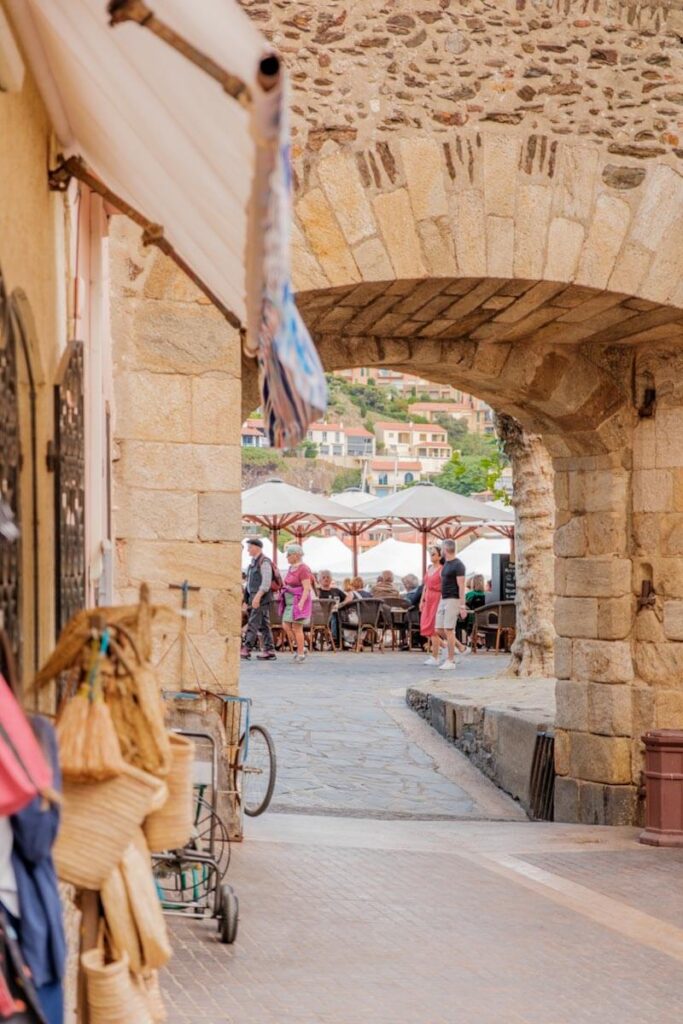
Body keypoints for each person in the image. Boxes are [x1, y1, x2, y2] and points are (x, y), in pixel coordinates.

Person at [241, 538, 277, 661]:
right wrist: (246, 599)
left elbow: (266, 583)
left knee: (253, 622)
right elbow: (249, 583)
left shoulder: (264, 561)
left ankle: (246, 649)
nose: (248, 550)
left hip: (261, 598)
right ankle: (269, 650)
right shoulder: (252, 563)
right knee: (264, 624)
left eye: (250, 547)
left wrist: (257, 597)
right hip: (254, 597)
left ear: (257, 547)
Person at [435, 539, 468, 671]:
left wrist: (462, 606)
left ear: (445, 549)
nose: (440, 551)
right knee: (438, 629)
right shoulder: (446, 563)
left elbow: (461, 586)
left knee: (449, 630)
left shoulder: (458, 565)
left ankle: (451, 660)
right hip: (443, 598)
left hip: (453, 599)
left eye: (441, 548)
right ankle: (461, 647)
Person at [279, 544, 314, 663]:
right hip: (289, 601)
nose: (287, 557)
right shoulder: (291, 568)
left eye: (289, 555)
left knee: (297, 627)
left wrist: (301, 603)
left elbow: (307, 588)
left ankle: (300, 653)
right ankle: (301, 647)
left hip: (298, 600)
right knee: (286, 625)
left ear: (296, 555)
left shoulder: (303, 568)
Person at [419, 545, 443, 666]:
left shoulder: (441, 570)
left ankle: (436, 656)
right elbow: (425, 586)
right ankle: (447, 647)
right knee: (427, 626)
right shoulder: (429, 569)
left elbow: (444, 587)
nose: (431, 556)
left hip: (437, 599)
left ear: (440, 556)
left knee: (434, 628)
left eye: (433, 554)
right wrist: (422, 600)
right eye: (430, 554)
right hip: (428, 598)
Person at [456, 573, 487, 647]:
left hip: (470, 619)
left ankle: (465, 639)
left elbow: (464, 604)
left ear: (473, 583)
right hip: (484, 620)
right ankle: (476, 637)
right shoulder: (487, 595)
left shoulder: (470, 594)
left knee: (457, 621)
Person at [317, 570, 346, 648]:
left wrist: (341, 604)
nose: (326, 579)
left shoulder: (336, 590)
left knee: (336, 614)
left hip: (337, 614)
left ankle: (340, 640)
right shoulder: (318, 592)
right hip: (321, 616)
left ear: (331, 579)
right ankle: (334, 639)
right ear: (319, 580)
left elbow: (348, 598)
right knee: (333, 614)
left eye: (328, 577)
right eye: (323, 577)